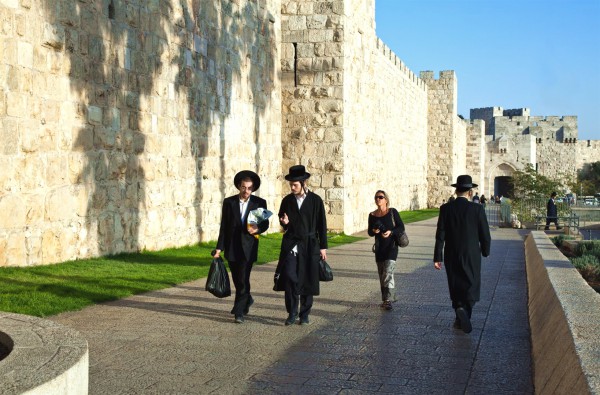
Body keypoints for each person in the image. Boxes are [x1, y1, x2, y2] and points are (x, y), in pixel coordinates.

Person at [434, 175, 491, 334]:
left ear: (456, 190)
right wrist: (486, 251)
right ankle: (465, 312)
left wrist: (437, 256)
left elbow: (440, 235)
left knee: (455, 283)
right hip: (471, 254)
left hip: (451, 253)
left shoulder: (446, 209)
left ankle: (459, 312)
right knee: (470, 284)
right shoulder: (477, 209)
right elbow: (484, 234)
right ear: (470, 192)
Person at [214, 170, 269, 324]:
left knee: (243, 278)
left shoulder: (259, 203)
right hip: (232, 247)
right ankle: (247, 299)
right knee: (237, 279)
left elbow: (265, 224)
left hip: (249, 247)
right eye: (244, 187)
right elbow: (224, 227)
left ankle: (239, 312)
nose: (246, 191)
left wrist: (257, 229)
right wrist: (219, 248)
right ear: (239, 186)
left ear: (253, 189)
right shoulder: (229, 202)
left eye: (250, 188)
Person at [275, 165, 328, 326]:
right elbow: (282, 219)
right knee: (290, 278)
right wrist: (284, 223)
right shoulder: (287, 200)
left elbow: (322, 225)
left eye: (295, 184)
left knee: (307, 279)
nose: (292, 187)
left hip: (310, 245)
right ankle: (291, 313)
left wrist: (323, 247)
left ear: (303, 183)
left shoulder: (315, 201)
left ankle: (304, 314)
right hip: (291, 245)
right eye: (290, 184)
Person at [368, 190, 405, 310]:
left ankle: (388, 300)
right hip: (379, 248)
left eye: (381, 197)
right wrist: (374, 231)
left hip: (392, 247)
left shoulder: (392, 212)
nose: (378, 199)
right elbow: (369, 232)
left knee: (388, 272)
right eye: (376, 197)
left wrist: (391, 232)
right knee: (382, 274)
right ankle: (385, 299)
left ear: (386, 200)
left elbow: (401, 227)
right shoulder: (372, 215)